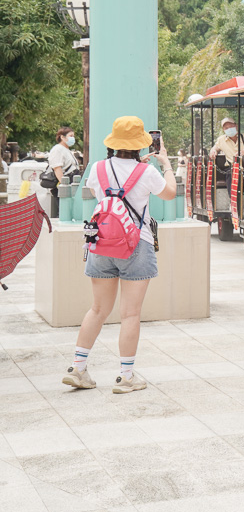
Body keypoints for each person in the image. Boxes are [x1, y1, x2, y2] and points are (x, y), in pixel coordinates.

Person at [63, 116, 176, 394]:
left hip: (101, 243)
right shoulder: (147, 171)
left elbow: (96, 194)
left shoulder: (97, 168)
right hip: (137, 245)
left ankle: (78, 369)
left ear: (113, 142)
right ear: (141, 145)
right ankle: (126, 376)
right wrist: (166, 165)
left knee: (98, 309)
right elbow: (171, 194)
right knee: (130, 314)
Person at [46, 127, 81, 215]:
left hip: (71, 184)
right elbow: (57, 168)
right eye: (70, 136)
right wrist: (64, 185)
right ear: (62, 137)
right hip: (64, 186)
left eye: (73, 136)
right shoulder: (58, 149)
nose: (73, 138)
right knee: (65, 211)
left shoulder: (66, 150)